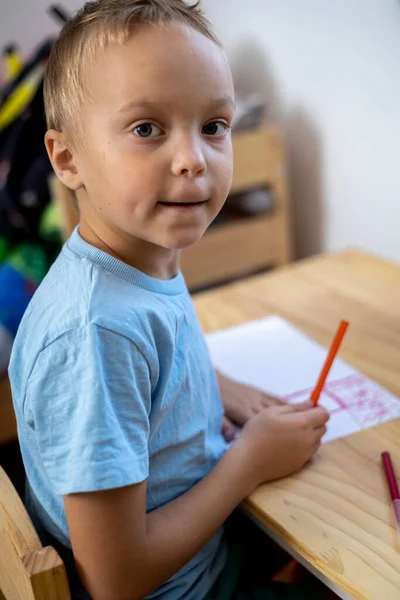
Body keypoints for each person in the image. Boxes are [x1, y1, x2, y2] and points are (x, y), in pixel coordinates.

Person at [9, 1, 330, 599]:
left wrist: (217, 386)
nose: (193, 160)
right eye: (146, 129)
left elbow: (154, 365)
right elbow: (115, 580)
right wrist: (250, 462)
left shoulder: (135, 258)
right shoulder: (95, 333)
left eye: (213, 126)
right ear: (67, 159)